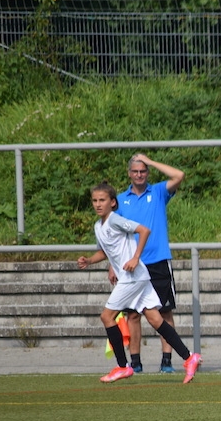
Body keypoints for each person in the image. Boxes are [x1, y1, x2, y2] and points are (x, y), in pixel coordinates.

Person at [79, 182, 202, 384]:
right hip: (137, 277)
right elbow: (105, 251)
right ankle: (189, 357)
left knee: (107, 316)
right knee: (154, 319)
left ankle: (122, 366)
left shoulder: (115, 220)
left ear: (112, 202)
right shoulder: (98, 226)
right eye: (95, 200)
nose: (98, 204)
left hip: (133, 277)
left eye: (102, 200)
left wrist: (136, 257)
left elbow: (144, 230)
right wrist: (89, 261)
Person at [116, 153, 184, 374]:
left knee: (164, 312)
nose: (139, 175)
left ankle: (166, 360)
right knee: (133, 314)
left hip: (158, 261)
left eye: (143, 171)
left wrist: (151, 161)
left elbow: (179, 175)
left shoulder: (158, 192)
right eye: (135, 171)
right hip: (132, 265)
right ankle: (135, 362)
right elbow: (116, 235)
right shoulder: (121, 200)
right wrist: (112, 265)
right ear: (129, 173)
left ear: (148, 173)